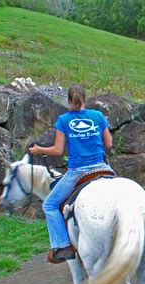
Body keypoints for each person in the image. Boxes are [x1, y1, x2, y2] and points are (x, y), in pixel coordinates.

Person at [29, 84, 113, 263]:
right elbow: (109, 144)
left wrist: (38, 150)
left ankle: (63, 246)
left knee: (49, 206)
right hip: (103, 168)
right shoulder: (98, 116)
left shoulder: (63, 120)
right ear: (85, 99)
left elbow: (58, 150)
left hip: (78, 172)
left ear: (68, 101)